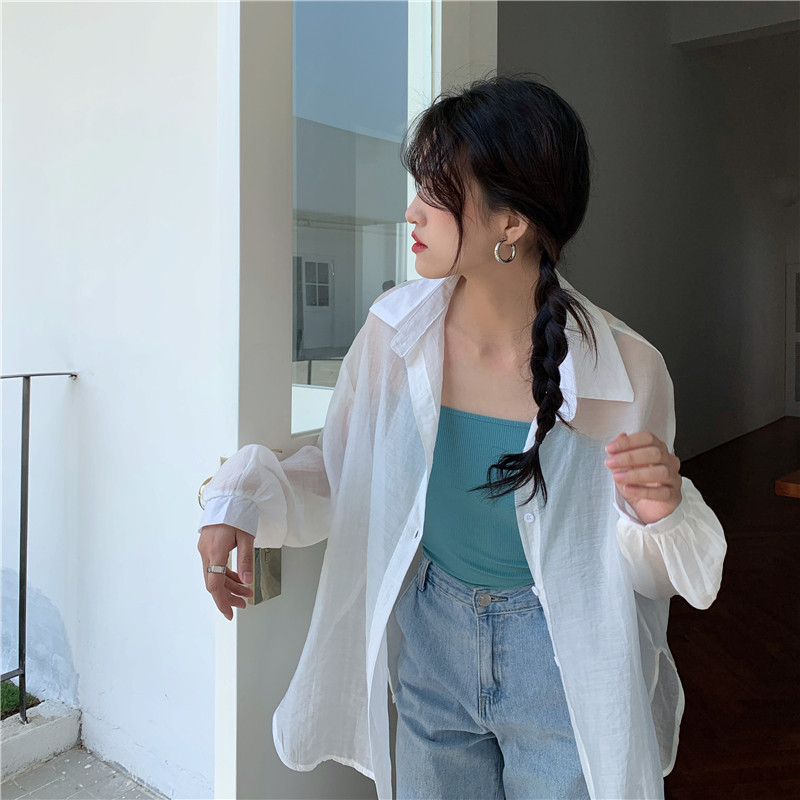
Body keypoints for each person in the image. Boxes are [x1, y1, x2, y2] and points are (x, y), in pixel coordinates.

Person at [196, 74, 727, 800]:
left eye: (436, 191)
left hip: (560, 656)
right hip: (432, 637)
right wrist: (240, 502)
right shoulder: (394, 334)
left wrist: (662, 514)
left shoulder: (624, 371)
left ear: (511, 223)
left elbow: (643, 576)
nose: (411, 210)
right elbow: (348, 471)